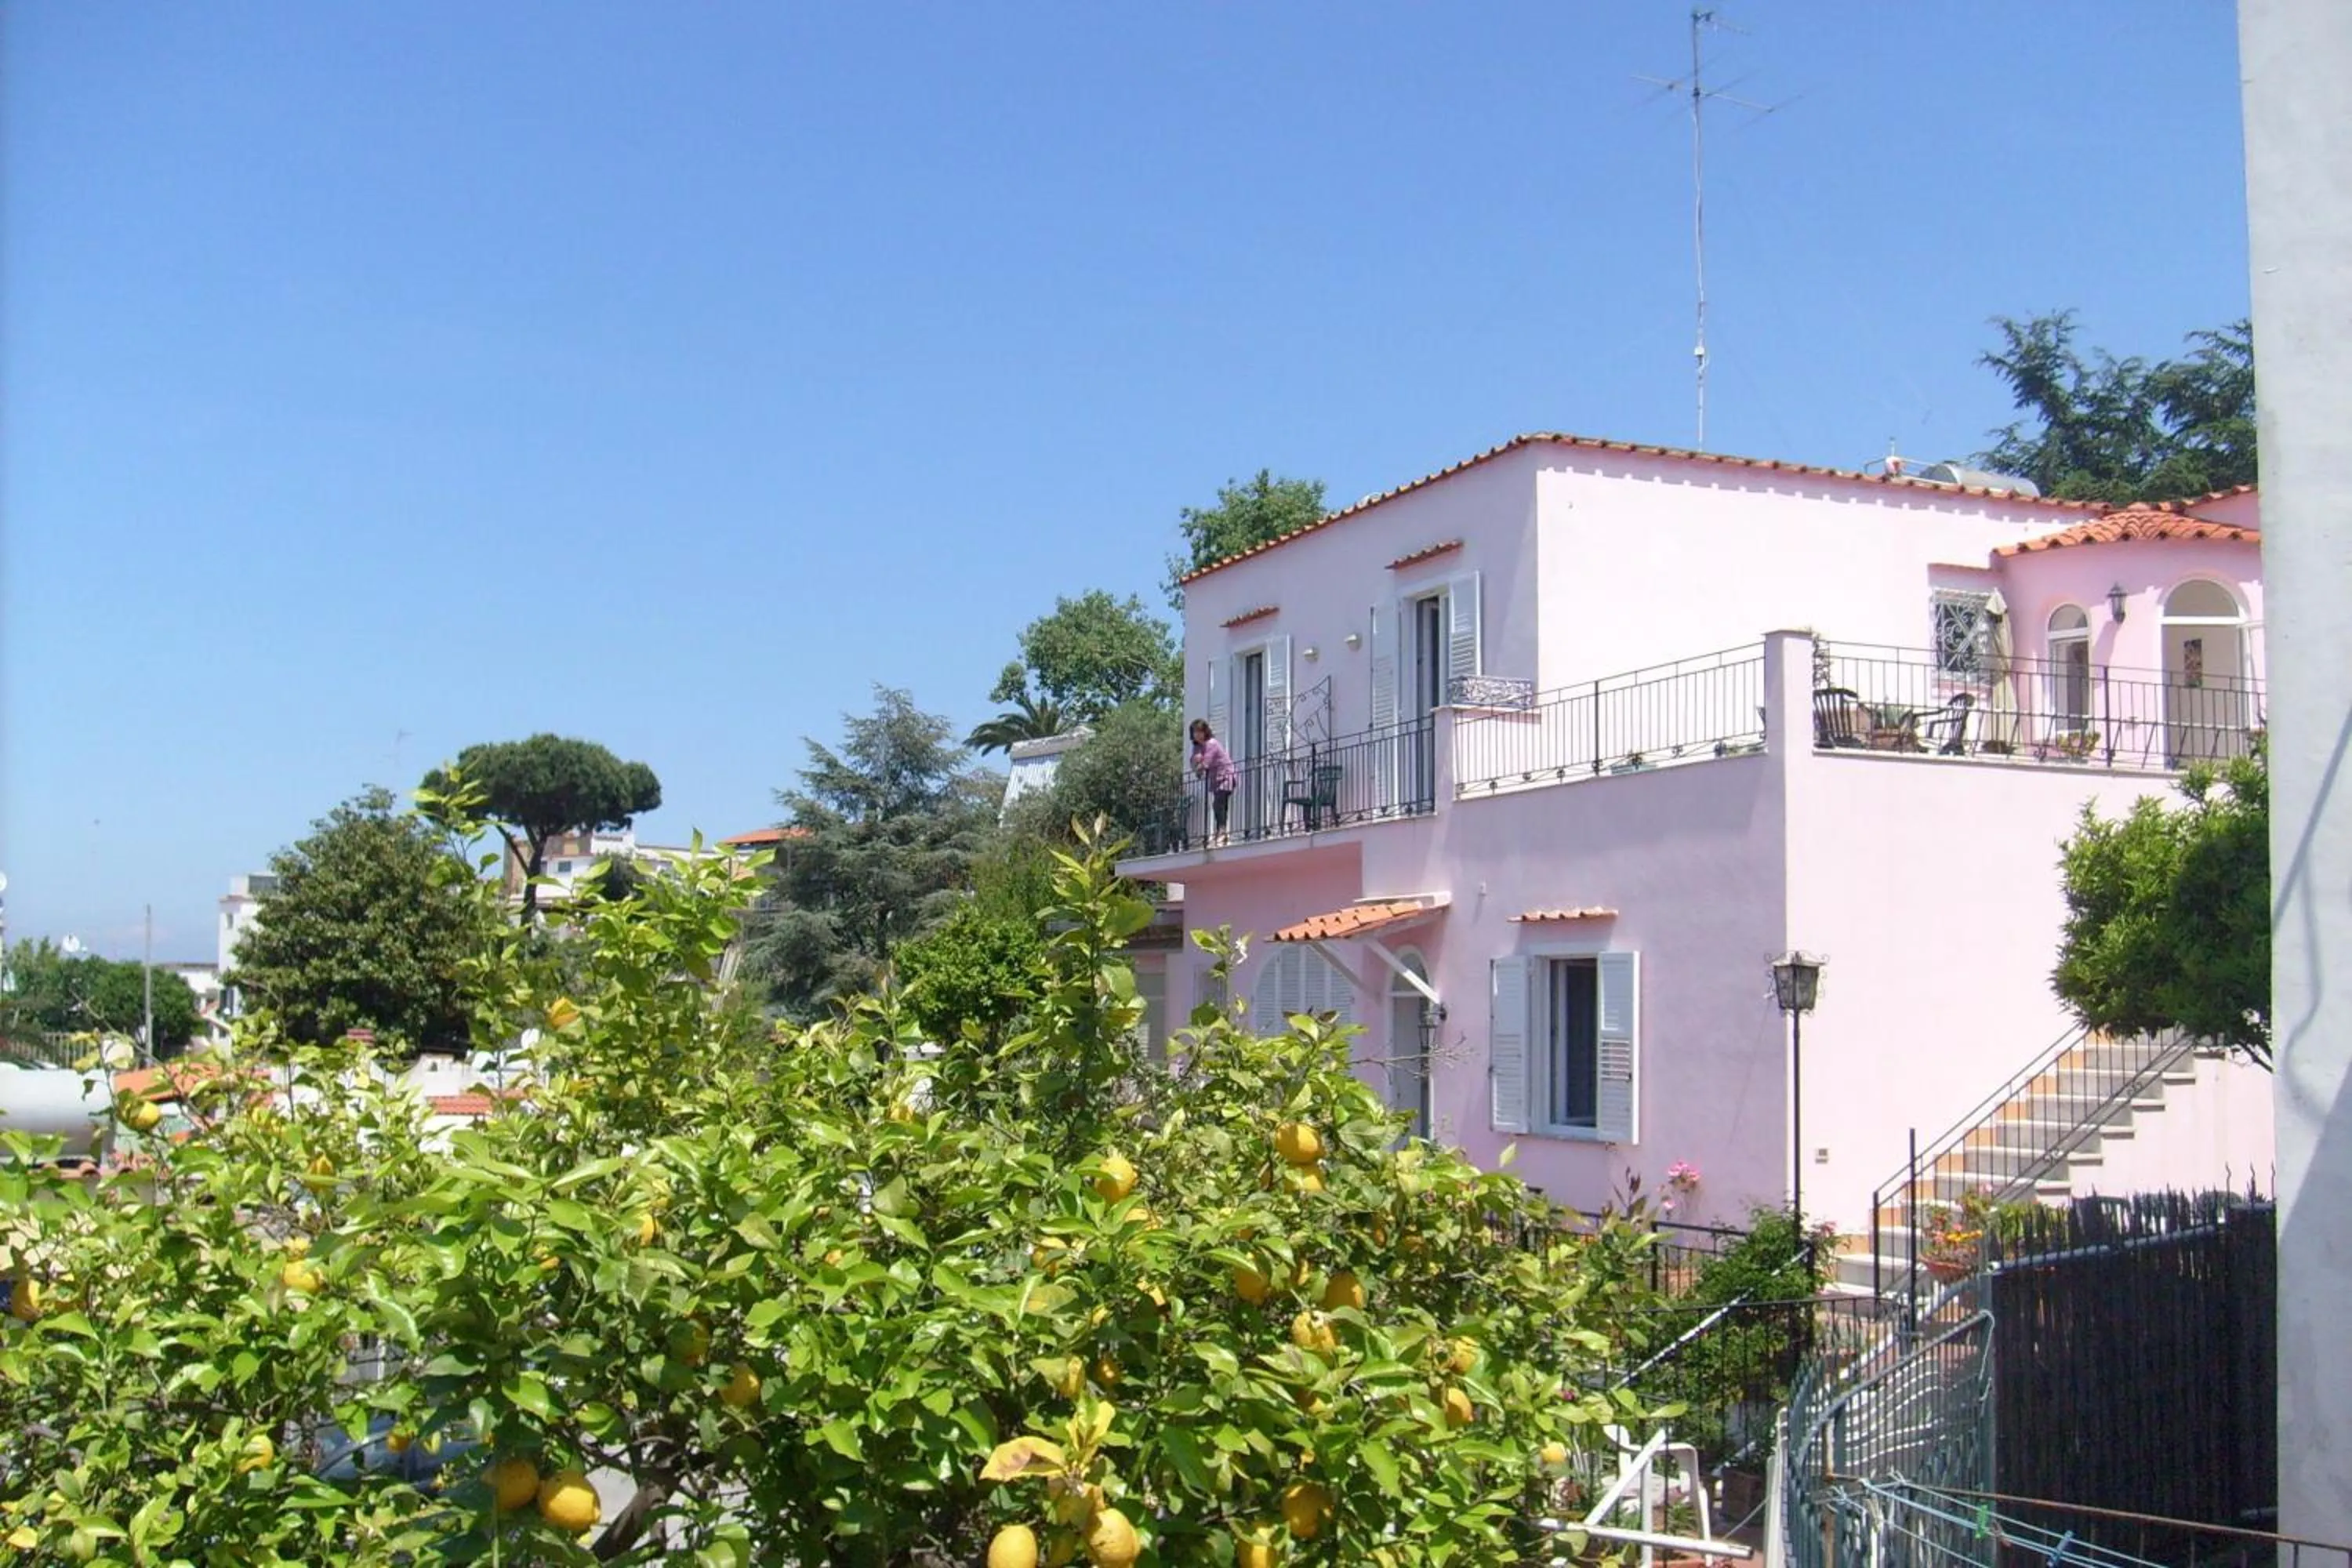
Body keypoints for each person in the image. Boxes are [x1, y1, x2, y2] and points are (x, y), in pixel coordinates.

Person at [1189, 719, 1238, 846]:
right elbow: (1193, 762)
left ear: (1205, 732)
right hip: (1216, 779)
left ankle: (1222, 832)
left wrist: (1199, 767)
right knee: (1218, 805)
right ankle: (1221, 833)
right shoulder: (1197, 747)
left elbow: (1206, 762)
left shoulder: (1212, 744)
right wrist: (1196, 765)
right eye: (1195, 732)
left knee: (1219, 804)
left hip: (1226, 776)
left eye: (1200, 732)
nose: (1197, 735)